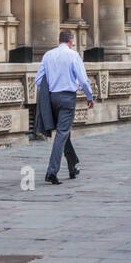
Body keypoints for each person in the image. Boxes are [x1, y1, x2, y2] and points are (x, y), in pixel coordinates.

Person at [35, 29, 94, 184]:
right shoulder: (73, 55)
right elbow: (83, 79)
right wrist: (90, 97)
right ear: (71, 41)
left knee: (63, 132)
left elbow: (38, 80)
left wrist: (48, 92)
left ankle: (73, 165)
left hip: (52, 97)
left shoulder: (48, 55)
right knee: (62, 133)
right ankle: (51, 172)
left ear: (59, 40)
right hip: (67, 98)